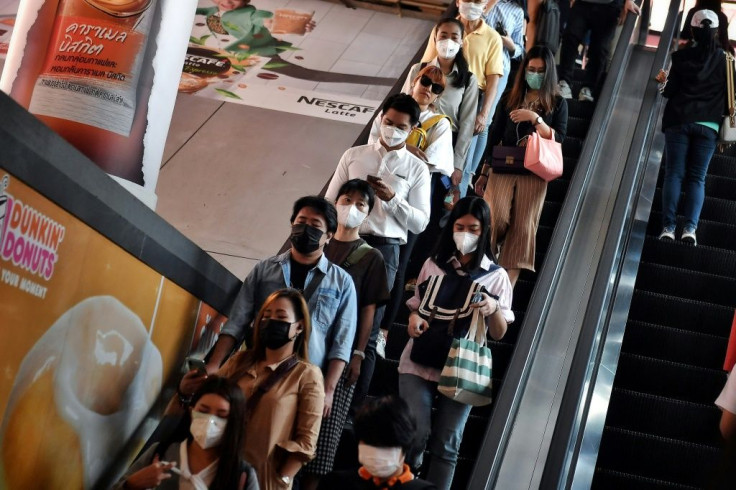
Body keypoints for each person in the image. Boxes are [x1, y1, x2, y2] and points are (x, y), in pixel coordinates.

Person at [204, 196, 357, 426]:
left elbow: (341, 343)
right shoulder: (265, 270)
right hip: (255, 369)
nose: (305, 229)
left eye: (315, 226)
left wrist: (328, 390)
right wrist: (215, 364)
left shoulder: (342, 282)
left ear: (329, 236)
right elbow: (238, 320)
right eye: (300, 221)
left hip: (305, 380)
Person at [399, 196, 513, 490]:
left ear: (485, 230)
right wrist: (413, 319)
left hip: (463, 365)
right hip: (419, 358)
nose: (466, 234)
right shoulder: (432, 264)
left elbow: (499, 333)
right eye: (459, 227)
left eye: (474, 228)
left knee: (447, 443)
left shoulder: (496, 277)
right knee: (414, 432)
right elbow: (416, 306)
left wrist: (493, 307)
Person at [182, 289, 325, 489]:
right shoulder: (240, 361)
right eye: (266, 316)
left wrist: (281, 478)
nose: (271, 321)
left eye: (281, 316)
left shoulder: (307, 375)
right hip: (219, 470)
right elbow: (208, 400)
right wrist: (188, 390)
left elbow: (307, 442)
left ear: (299, 326)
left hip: (264, 479)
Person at [325, 94, 431, 358]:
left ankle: (357, 389)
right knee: (327, 313)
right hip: (344, 240)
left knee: (368, 330)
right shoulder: (354, 155)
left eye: (400, 127)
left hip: (385, 248)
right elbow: (329, 201)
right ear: (380, 119)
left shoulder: (417, 168)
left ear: (413, 130)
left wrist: (393, 200)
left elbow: (420, 222)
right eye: (388, 122)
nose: (392, 130)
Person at [303, 180, 390, 486]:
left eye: (360, 204)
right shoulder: (316, 245)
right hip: (304, 351)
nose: (351, 207)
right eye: (346, 199)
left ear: (368, 214)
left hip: (340, 358)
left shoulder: (371, 257)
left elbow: (369, 310)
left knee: (323, 441)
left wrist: (359, 354)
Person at [369, 66, 453, 358]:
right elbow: (372, 145)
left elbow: (433, 162)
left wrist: (407, 152)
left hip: (411, 196)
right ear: (414, 81)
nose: (428, 89)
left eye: (437, 87)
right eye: (425, 82)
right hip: (375, 195)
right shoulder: (392, 109)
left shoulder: (439, 123)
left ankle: (382, 331)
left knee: (400, 263)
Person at [475, 46, 568, 288]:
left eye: (540, 70)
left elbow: (558, 140)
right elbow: (494, 133)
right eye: (531, 69)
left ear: (549, 73)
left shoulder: (557, 104)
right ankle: (483, 276)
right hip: (503, 167)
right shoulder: (511, 97)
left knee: (523, 230)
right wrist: (483, 171)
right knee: (495, 219)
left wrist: (535, 119)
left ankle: (504, 294)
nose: (535, 74)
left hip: (535, 174)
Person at [655, 10, 727, 246]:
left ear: (693, 29)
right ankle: (690, 229)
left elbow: (669, 92)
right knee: (698, 178)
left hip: (679, 120)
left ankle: (668, 227)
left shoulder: (681, 57)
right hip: (708, 125)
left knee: (674, 173)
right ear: (716, 31)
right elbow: (730, 99)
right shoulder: (726, 61)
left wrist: (662, 83)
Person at [421, 0, 505, 198]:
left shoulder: (492, 37)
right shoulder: (442, 30)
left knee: (461, 163)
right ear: (458, 2)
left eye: (477, 1)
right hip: (440, 95)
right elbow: (426, 64)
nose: (471, 4)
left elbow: (493, 79)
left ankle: (453, 203)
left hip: (473, 98)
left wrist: (484, 113)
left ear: (486, 4)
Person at [116, 376, 259, 490]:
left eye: (221, 415)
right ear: (191, 412)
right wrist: (132, 484)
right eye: (203, 411)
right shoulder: (160, 453)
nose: (210, 420)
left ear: (233, 421)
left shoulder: (242, 475)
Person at [401, 18, 480, 194]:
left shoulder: (467, 80)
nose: (448, 41)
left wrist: (458, 165)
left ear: (461, 41)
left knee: (437, 196)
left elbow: (467, 124)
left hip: (445, 146)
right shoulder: (418, 69)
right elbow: (402, 104)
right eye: (443, 36)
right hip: (413, 137)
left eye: (454, 37)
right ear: (435, 38)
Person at [317, 396, 436, 490]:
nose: (377, 453)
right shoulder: (335, 483)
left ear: (404, 446)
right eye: (370, 443)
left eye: (385, 446)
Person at [557, 0, 640, 102]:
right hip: (583, 2)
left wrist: (628, 2)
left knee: (600, 47)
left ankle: (588, 88)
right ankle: (564, 82)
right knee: (570, 37)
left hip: (610, 5)